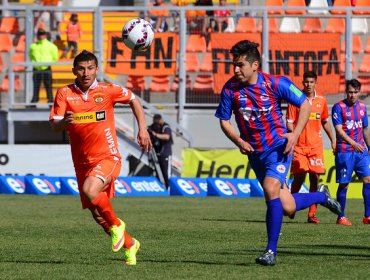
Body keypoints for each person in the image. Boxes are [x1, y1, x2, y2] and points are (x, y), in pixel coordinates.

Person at [215, 40, 341, 266]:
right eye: (234, 64)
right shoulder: (229, 89)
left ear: (255, 66)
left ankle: (270, 252)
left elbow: (305, 105)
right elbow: (224, 121)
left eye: (240, 65)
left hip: (278, 148)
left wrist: (294, 135)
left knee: (270, 188)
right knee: (287, 206)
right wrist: (239, 141)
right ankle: (322, 195)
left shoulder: (275, 83)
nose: (235, 69)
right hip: (255, 154)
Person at [49, 50, 152, 265]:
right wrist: (63, 123)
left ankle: (117, 225)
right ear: (74, 71)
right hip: (81, 162)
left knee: (90, 190)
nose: (86, 73)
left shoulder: (108, 91)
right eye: (81, 68)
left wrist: (142, 129)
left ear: (97, 69)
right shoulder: (64, 93)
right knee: (97, 215)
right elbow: (54, 123)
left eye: (90, 68)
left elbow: (134, 100)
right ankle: (130, 245)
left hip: (107, 156)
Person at [286, 71, 335, 224]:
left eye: (311, 82)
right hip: (299, 146)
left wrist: (333, 140)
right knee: (299, 178)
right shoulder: (295, 100)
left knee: (315, 178)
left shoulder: (321, 101)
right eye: (306, 82)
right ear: (302, 83)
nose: (308, 85)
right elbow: (289, 122)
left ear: (316, 83)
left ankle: (312, 214)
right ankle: (291, 207)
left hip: (315, 147)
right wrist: (293, 136)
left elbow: (325, 122)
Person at [332, 79, 370, 226]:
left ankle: (367, 216)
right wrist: (353, 143)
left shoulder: (362, 108)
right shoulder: (338, 107)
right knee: (344, 184)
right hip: (345, 151)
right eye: (350, 92)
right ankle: (341, 217)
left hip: (361, 152)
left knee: (368, 180)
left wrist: (369, 146)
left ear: (359, 92)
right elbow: (339, 130)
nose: (352, 95)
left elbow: (365, 129)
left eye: (355, 92)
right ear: (346, 92)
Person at [29, 28, 59, 104]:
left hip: (46, 68)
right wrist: (35, 63)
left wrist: (48, 63)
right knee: (36, 86)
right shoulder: (33, 46)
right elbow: (31, 56)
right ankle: (34, 101)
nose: (41, 36)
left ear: (45, 35)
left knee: (48, 85)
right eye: (39, 34)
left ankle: (50, 101)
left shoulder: (51, 46)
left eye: (42, 34)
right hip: (36, 68)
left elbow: (55, 57)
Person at [148, 114, 173, 189]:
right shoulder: (153, 127)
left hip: (165, 153)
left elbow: (166, 137)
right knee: (157, 171)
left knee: (166, 172)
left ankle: (169, 188)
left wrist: (155, 135)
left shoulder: (165, 127)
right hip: (156, 152)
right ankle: (160, 187)